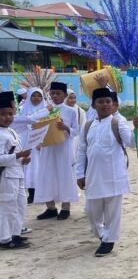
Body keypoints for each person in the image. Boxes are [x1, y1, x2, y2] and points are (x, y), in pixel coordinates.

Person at [75, 88, 133, 257]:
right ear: (94, 105)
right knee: (91, 211)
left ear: (113, 104)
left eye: (108, 101)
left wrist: (136, 130)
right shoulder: (88, 126)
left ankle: (108, 241)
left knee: (112, 212)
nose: (105, 105)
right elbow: (81, 151)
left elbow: (131, 142)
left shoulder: (117, 123)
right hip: (93, 175)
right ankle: (102, 234)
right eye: (101, 102)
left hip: (114, 175)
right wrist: (80, 174)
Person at [34, 81, 79, 220]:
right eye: (52, 93)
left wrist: (66, 127)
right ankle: (51, 208)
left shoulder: (71, 111)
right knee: (47, 175)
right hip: (48, 148)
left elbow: (76, 131)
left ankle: (65, 208)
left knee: (64, 175)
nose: (54, 96)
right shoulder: (46, 110)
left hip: (63, 148)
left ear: (65, 95)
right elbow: (38, 126)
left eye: (58, 93)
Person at [0, 91, 32, 249]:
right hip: (6, 176)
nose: (7, 117)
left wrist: (23, 159)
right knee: (7, 206)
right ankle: (4, 239)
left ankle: (15, 234)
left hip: (17, 174)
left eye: (10, 114)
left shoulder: (11, 131)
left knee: (20, 204)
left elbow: (14, 154)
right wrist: (19, 155)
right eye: (3, 114)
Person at [17, 88, 49, 204]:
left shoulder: (47, 110)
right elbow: (22, 124)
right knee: (30, 167)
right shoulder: (24, 110)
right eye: (34, 96)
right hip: (27, 142)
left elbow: (48, 127)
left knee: (42, 167)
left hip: (42, 143)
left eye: (39, 96)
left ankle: (43, 193)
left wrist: (42, 141)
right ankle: (31, 193)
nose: (36, 98)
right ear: (29, 97)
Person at [66, 88, 87, 159]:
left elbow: (83, 127)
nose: (73, 100)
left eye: (74, 98)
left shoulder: (80, 111)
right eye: (70, 98)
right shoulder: (61, 110)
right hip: (63, 139)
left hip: (76, 140)